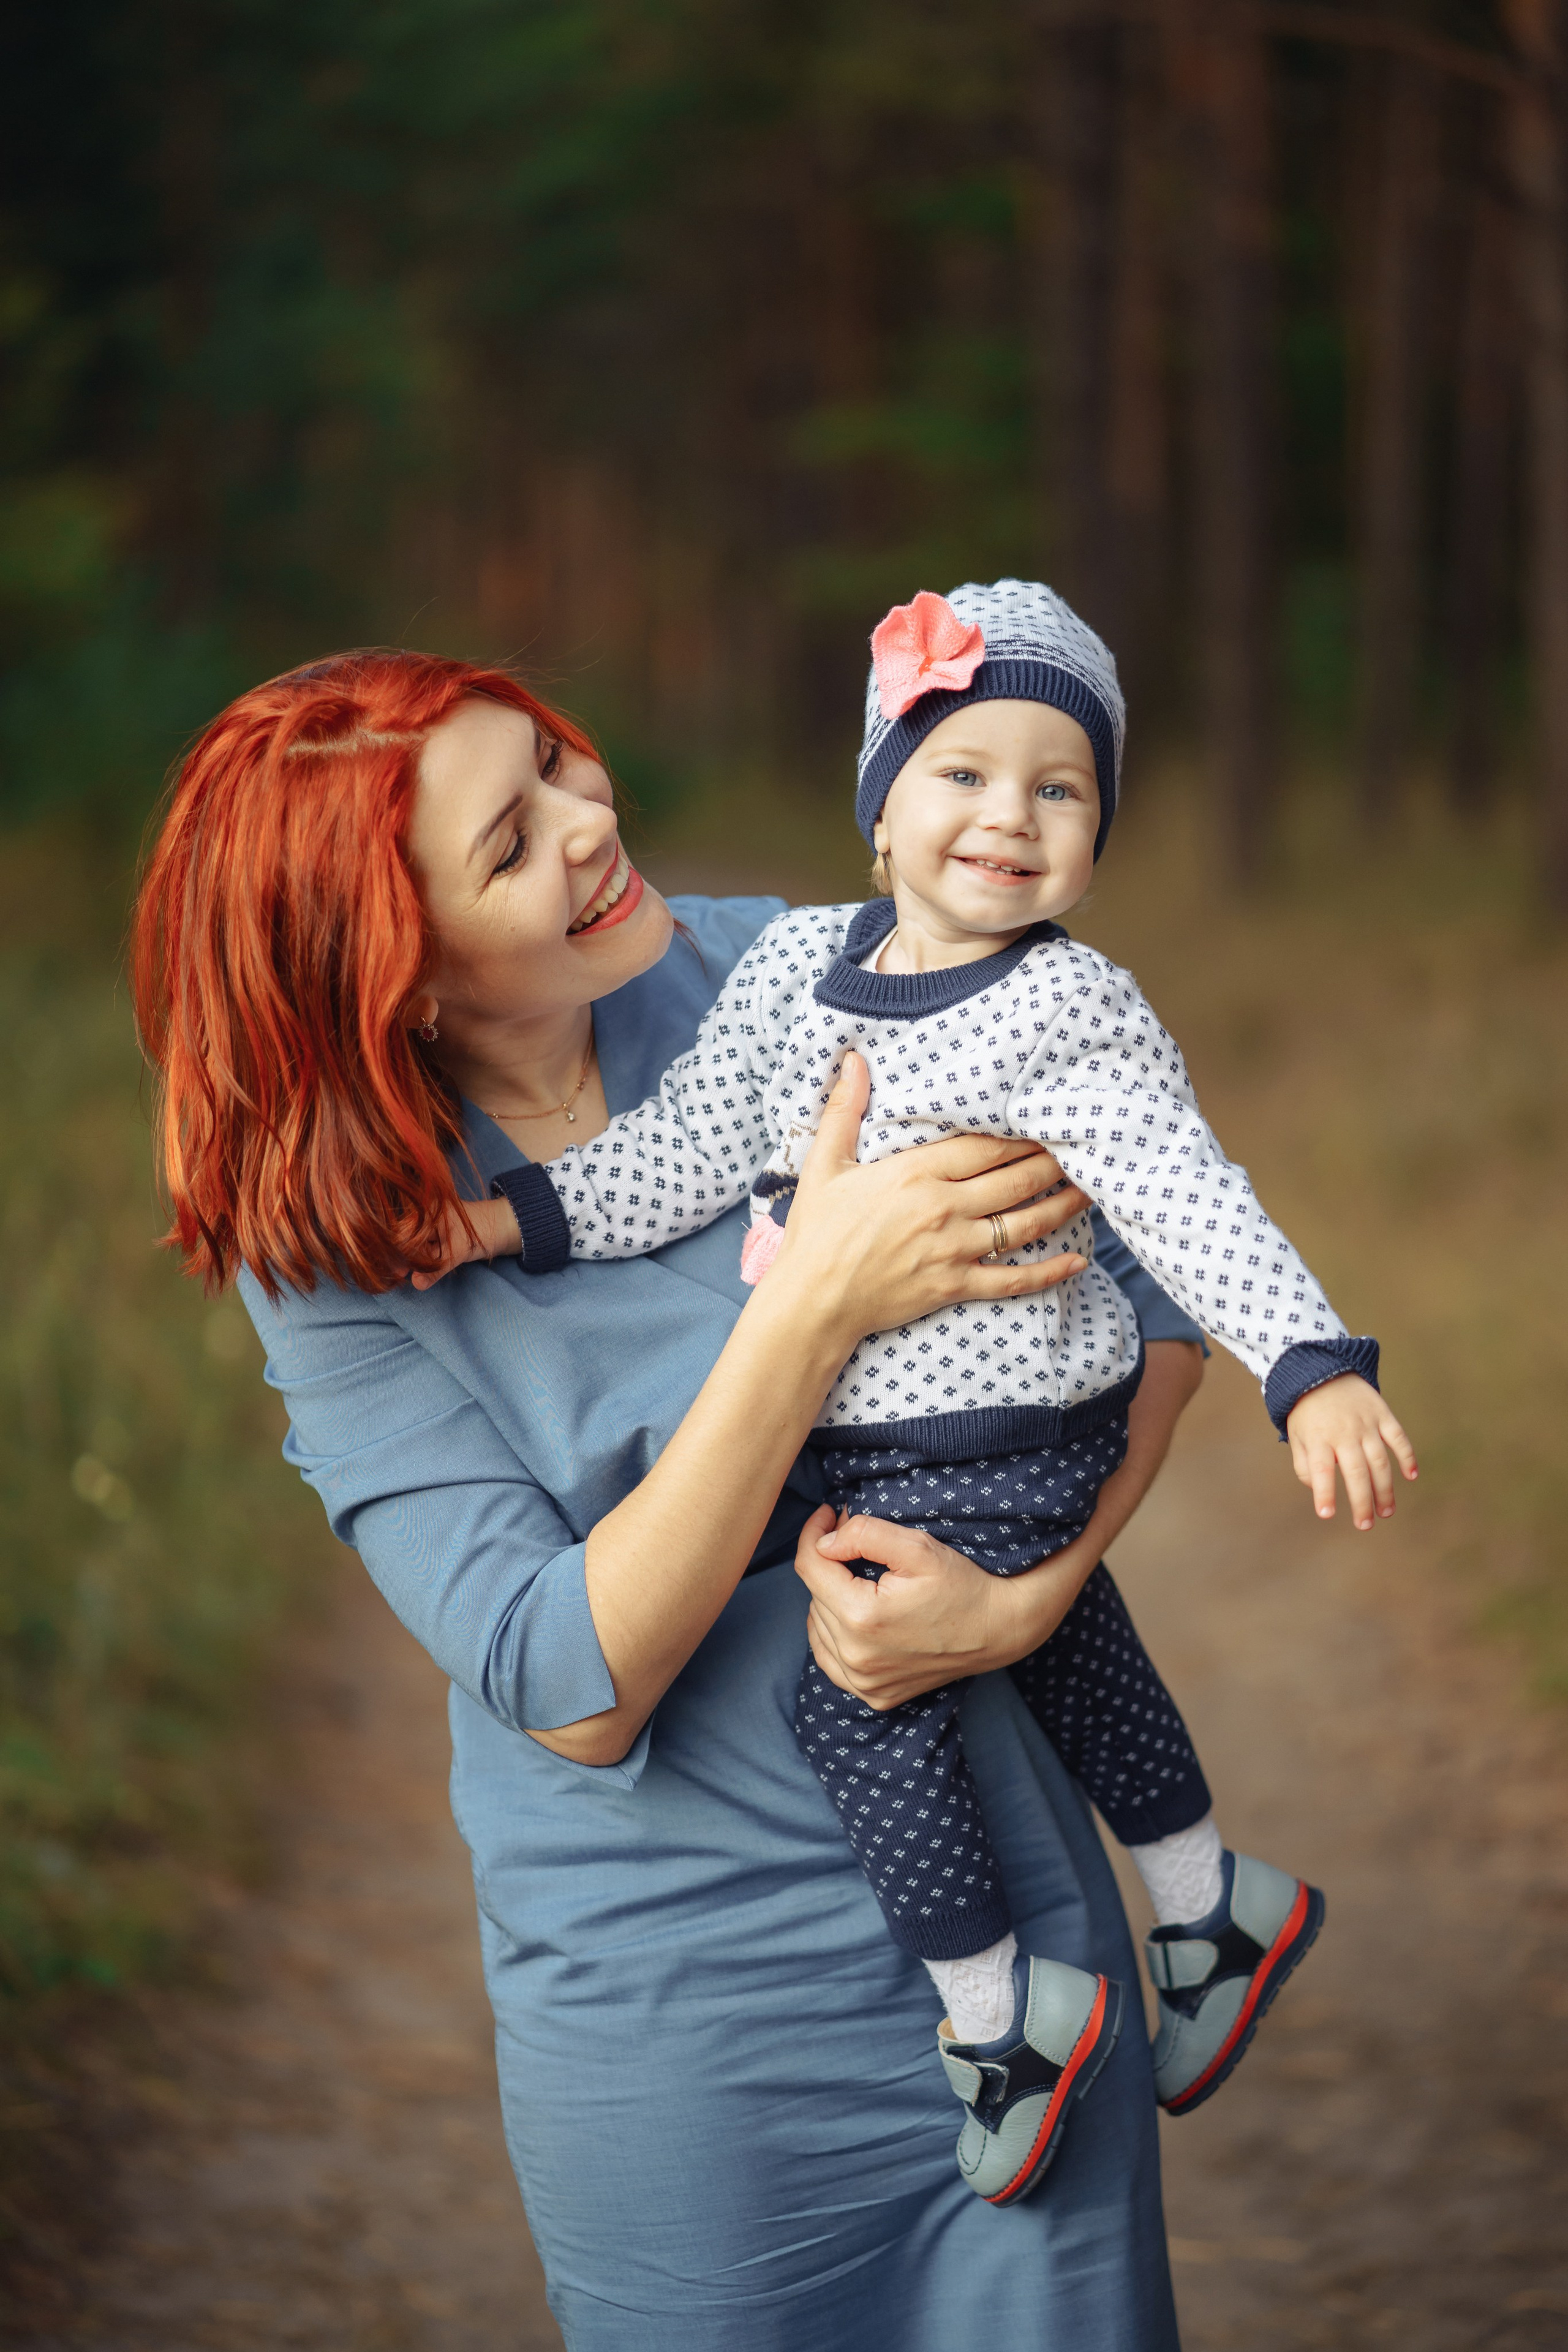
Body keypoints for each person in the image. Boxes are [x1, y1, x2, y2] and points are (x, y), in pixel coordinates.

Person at [132, 644, 1214, 2349]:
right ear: (391, 976)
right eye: (511, 842)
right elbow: (570, 1680)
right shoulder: (336, 1256)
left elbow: (1145, 1284)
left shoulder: (786, 972)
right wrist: (811, 1309)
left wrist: (1036, 1592)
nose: (589, 818)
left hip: (1018, 1950)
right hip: (686, 2037)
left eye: (557, 762)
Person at [444, 581, 1416, 2205]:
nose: (1011, 817)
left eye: (1062, 788)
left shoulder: (1069, 1006)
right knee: (1076, 1645)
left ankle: (1004, 2023)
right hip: (898, 1441)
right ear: (880, 808)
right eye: (963, 772)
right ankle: (1208, 1906)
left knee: (854, 1695)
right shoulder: (792, 977)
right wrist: (506, 1217)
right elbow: (679, 1159)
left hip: (1008, 1424)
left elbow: (1188, 1200)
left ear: (1098, 839)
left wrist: (1311, 1367)